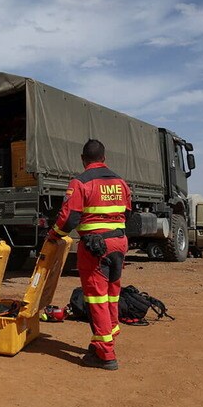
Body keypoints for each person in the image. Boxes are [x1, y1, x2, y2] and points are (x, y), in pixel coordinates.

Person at [46, 139, 132, 371]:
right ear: (104, 158)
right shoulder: (121, 182)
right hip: (119, 242)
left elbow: (69, 218)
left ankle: (105, 355)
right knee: (112, 294)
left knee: (96, 298)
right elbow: (127, 213)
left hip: (95, 246)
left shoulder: (80, 182)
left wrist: (53, 235)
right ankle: (108, 336)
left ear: (83, 159)